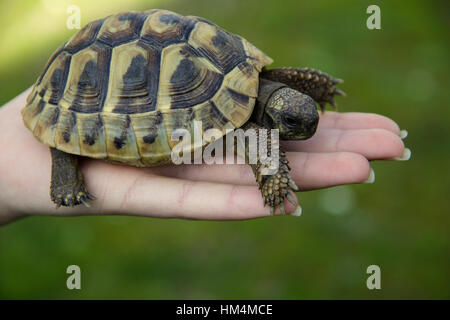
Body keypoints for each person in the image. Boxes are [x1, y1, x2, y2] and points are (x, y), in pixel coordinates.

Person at [0, 88, 410, 226]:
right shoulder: (256, 123)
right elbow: (258, 137)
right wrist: (274, 177)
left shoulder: (269, 93)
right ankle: (65, 171)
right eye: (290, 122)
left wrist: (311, 86)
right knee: (67, 148)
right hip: (96, 99)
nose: (303, 129)